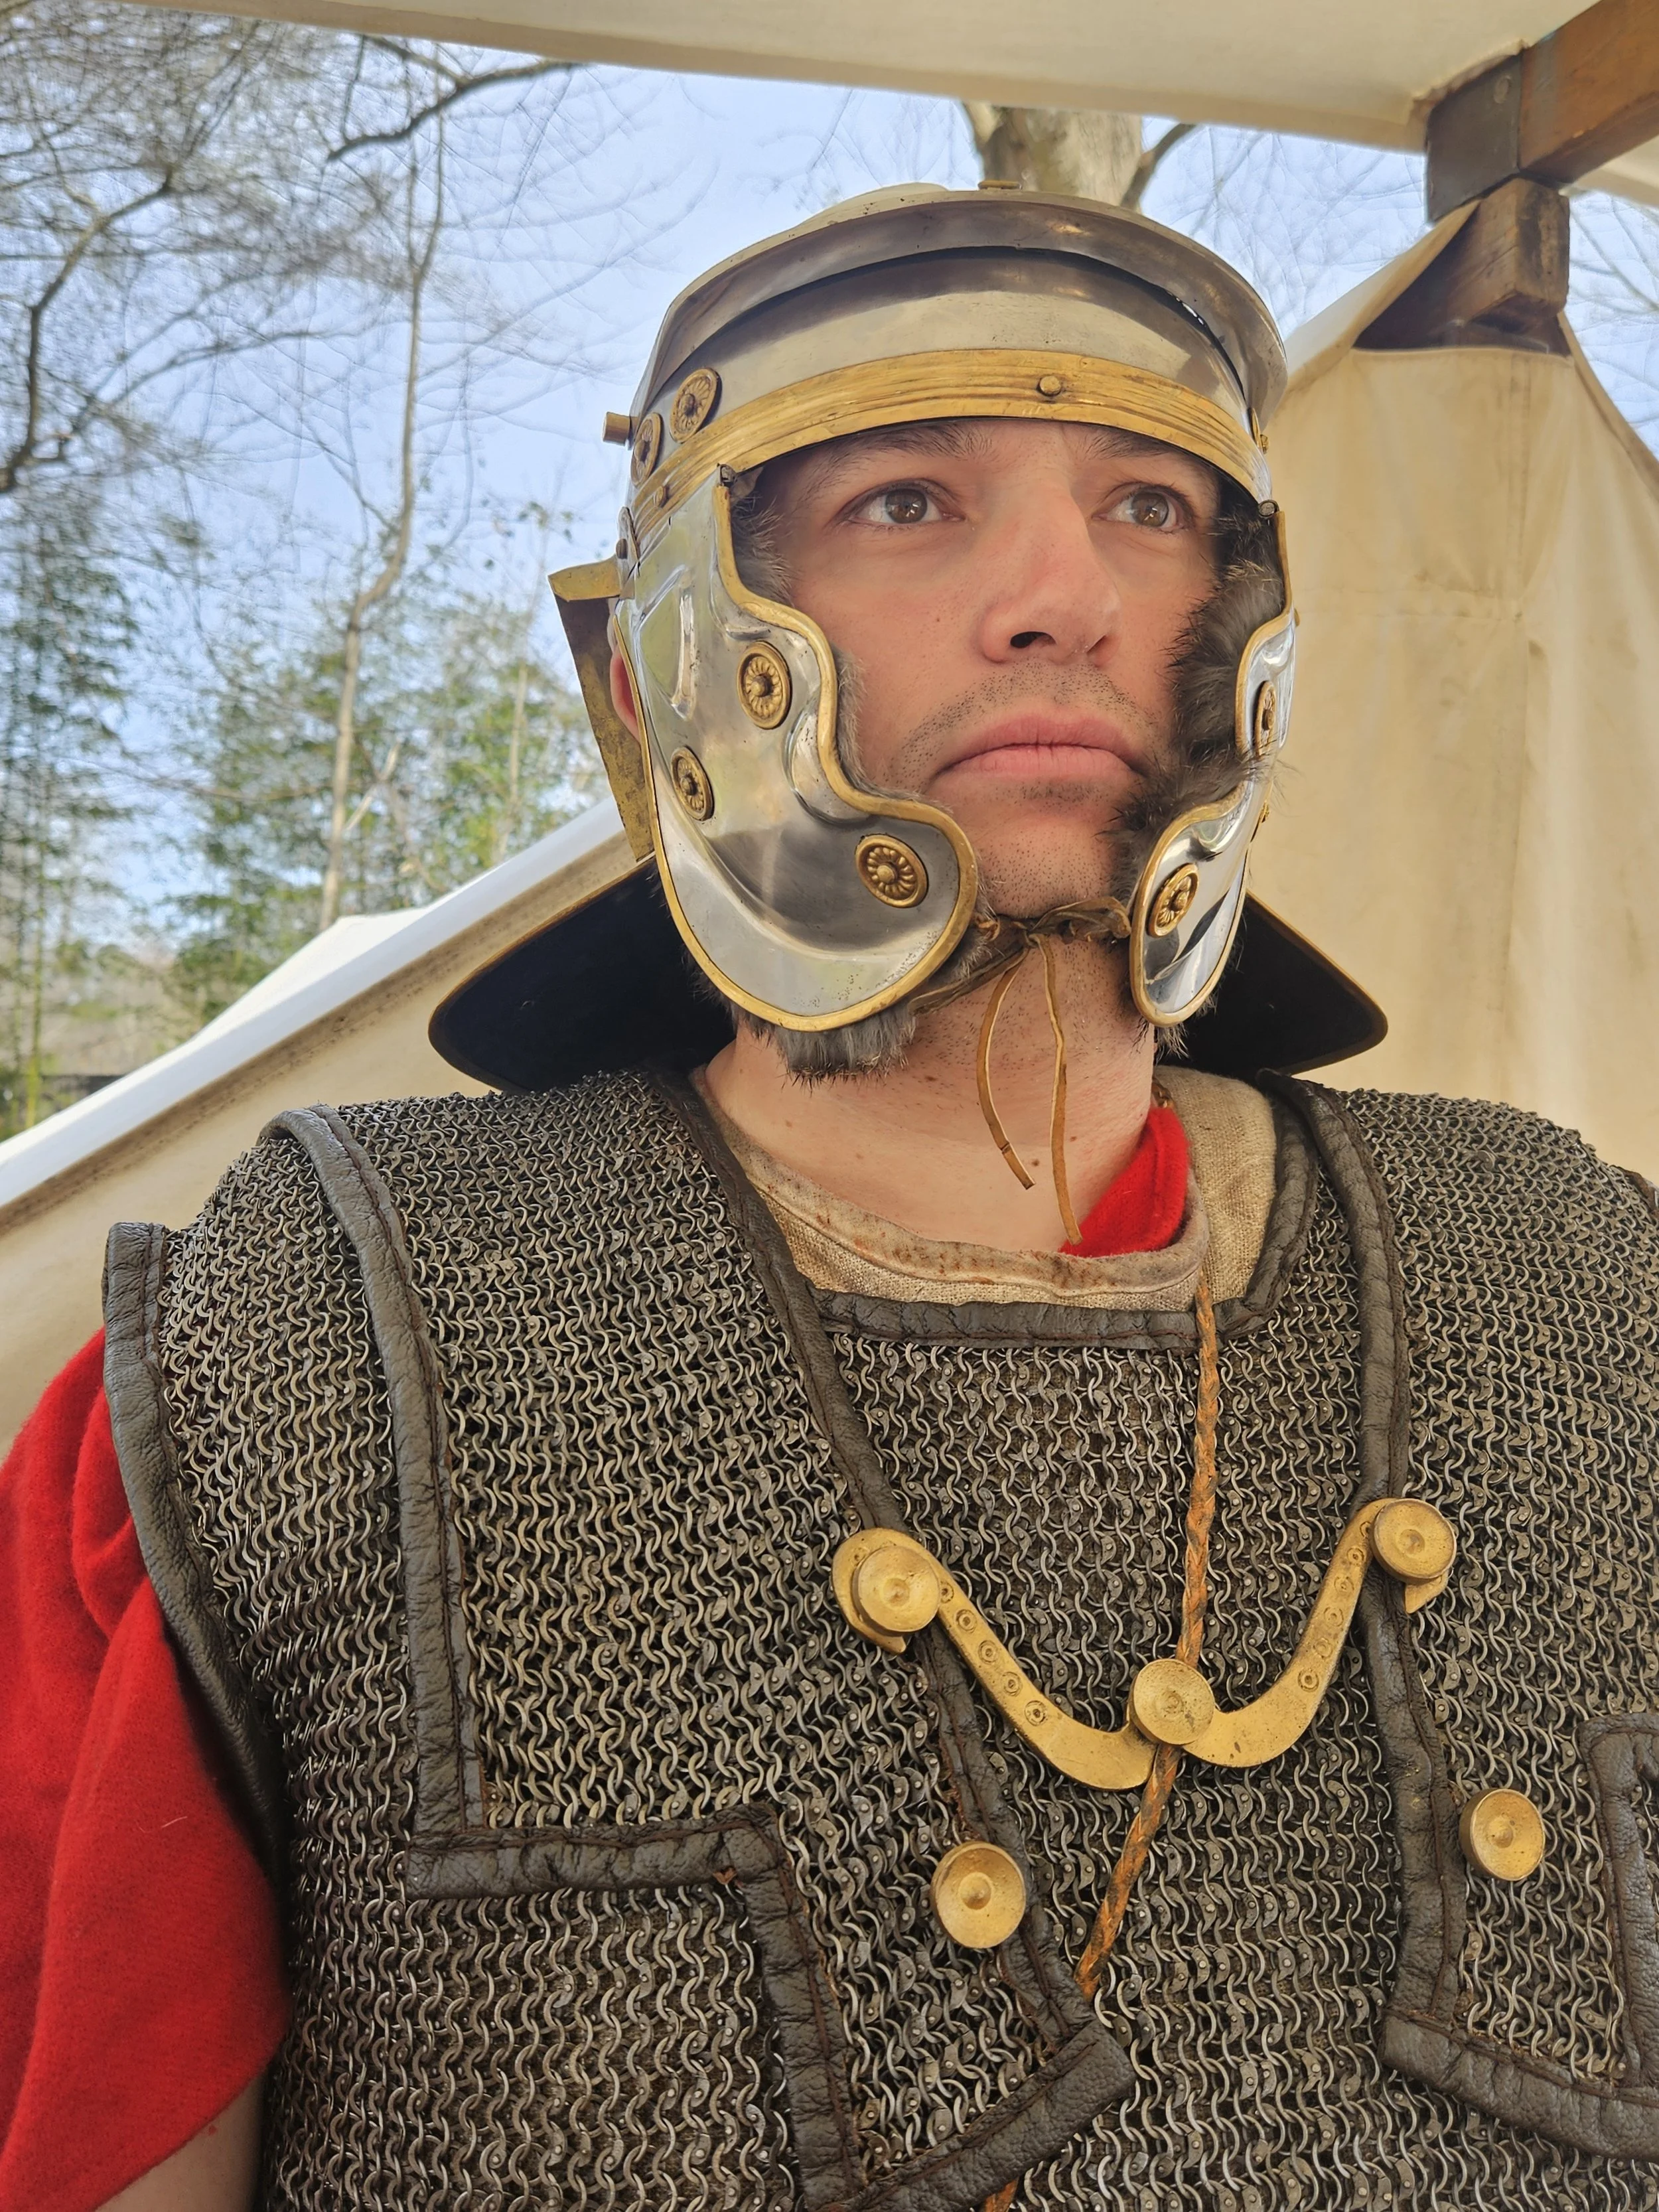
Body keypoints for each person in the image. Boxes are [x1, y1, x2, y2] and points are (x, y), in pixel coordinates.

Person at [5, 182, 1659, 2212]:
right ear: (664, 670)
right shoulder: (305, 1354)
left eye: (1151, 510)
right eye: (907, 501)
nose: (1065, 594)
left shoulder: (1586, 1298)